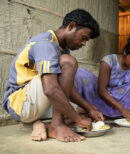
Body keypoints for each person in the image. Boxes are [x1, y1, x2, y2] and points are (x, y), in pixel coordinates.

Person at [2, 9, 104, 142]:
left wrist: (89, 108)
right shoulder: (45, 43)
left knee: (84, 112)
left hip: (36, 102)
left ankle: (41, 125)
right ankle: (56, 126)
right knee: (68, 62)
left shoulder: (62, 48)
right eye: (83, 38)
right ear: (71, 26)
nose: (84, 43)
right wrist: (76, 119)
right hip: (21, 104)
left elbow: (66, 86)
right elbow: (51, 89)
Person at [75, 36, 130, 120]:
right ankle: (97, 110)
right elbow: (101, 90)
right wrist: (122, 109)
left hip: (126, 102)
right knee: (81, 73)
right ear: (125, 52)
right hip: (105, 99)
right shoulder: (109, 61)